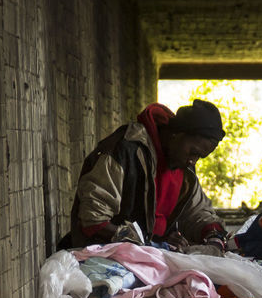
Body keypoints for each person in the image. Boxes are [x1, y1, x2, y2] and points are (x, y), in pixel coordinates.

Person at [66, 99, 230, 252]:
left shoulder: (183, 170)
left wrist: (213, 235)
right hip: (103, 254)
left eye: (199, 157)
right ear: (177, 134)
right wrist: (149, 243)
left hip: (147, 256)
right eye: (193, 152)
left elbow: (196, 213)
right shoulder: (125, 152)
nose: (193, 161)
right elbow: (92, 220)